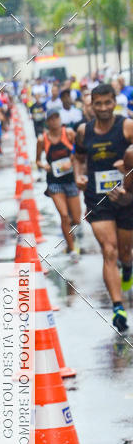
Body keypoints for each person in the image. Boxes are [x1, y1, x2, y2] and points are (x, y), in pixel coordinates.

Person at [74, 83, 133, 332]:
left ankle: (128, 266)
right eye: (98, 103)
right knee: (108, 251)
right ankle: (118, 307)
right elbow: (78, 158)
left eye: (108, 102)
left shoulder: (127, 126)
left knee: (123, 252)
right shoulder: (83, 131)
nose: (103, 108)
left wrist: (126, 168)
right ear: (91, 105)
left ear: (114, 101)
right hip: (97, 198)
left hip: (126, 197)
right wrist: (78, 175)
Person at [36, 110, 81, 260]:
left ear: (60, 119)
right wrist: (44, 166)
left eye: (56, 118)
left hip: (70, 180)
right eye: (51, 119)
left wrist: (72, 159)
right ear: (47, 122)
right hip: (54, 182)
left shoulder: (68, 133)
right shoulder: (43, 139)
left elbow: (78, 151)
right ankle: (72, 249)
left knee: (76, 219)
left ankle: (70, 232)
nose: (54, 121)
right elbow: (37, 161)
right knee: (63, 216)